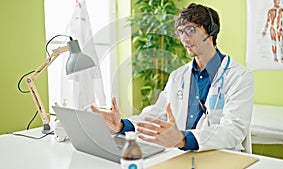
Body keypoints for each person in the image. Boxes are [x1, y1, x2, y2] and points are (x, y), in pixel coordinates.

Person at [91, 3, 254, 152]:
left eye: (190, 30)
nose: (184, 39)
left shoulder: (239, 77)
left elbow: (233, 130)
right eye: (180, 32)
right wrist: (122, 124)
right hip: (182, 156)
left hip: (221, 157)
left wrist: (183, 139)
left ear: (211, 31)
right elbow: (157, 114)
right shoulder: (178, 76)